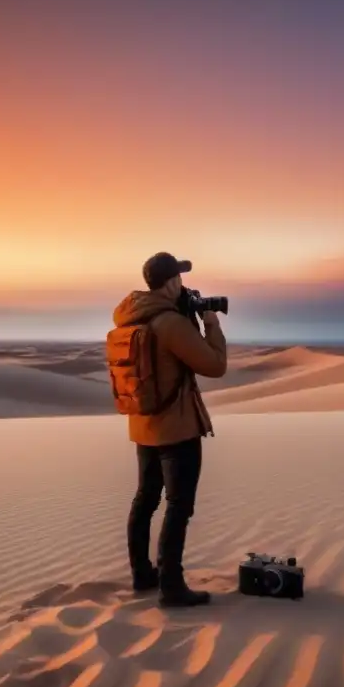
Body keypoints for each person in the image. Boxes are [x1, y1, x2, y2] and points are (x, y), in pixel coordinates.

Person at [108, 252, 228, 607]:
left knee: (146, 499)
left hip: (143, 427)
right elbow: (215, 365)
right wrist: (210, 323)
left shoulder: (131, 318)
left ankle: (142, 574)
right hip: (176, 428)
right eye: (179, 277)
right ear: (171, 282)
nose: (183, 284)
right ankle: (171, 585)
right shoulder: (168, 323)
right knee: (179, 505)